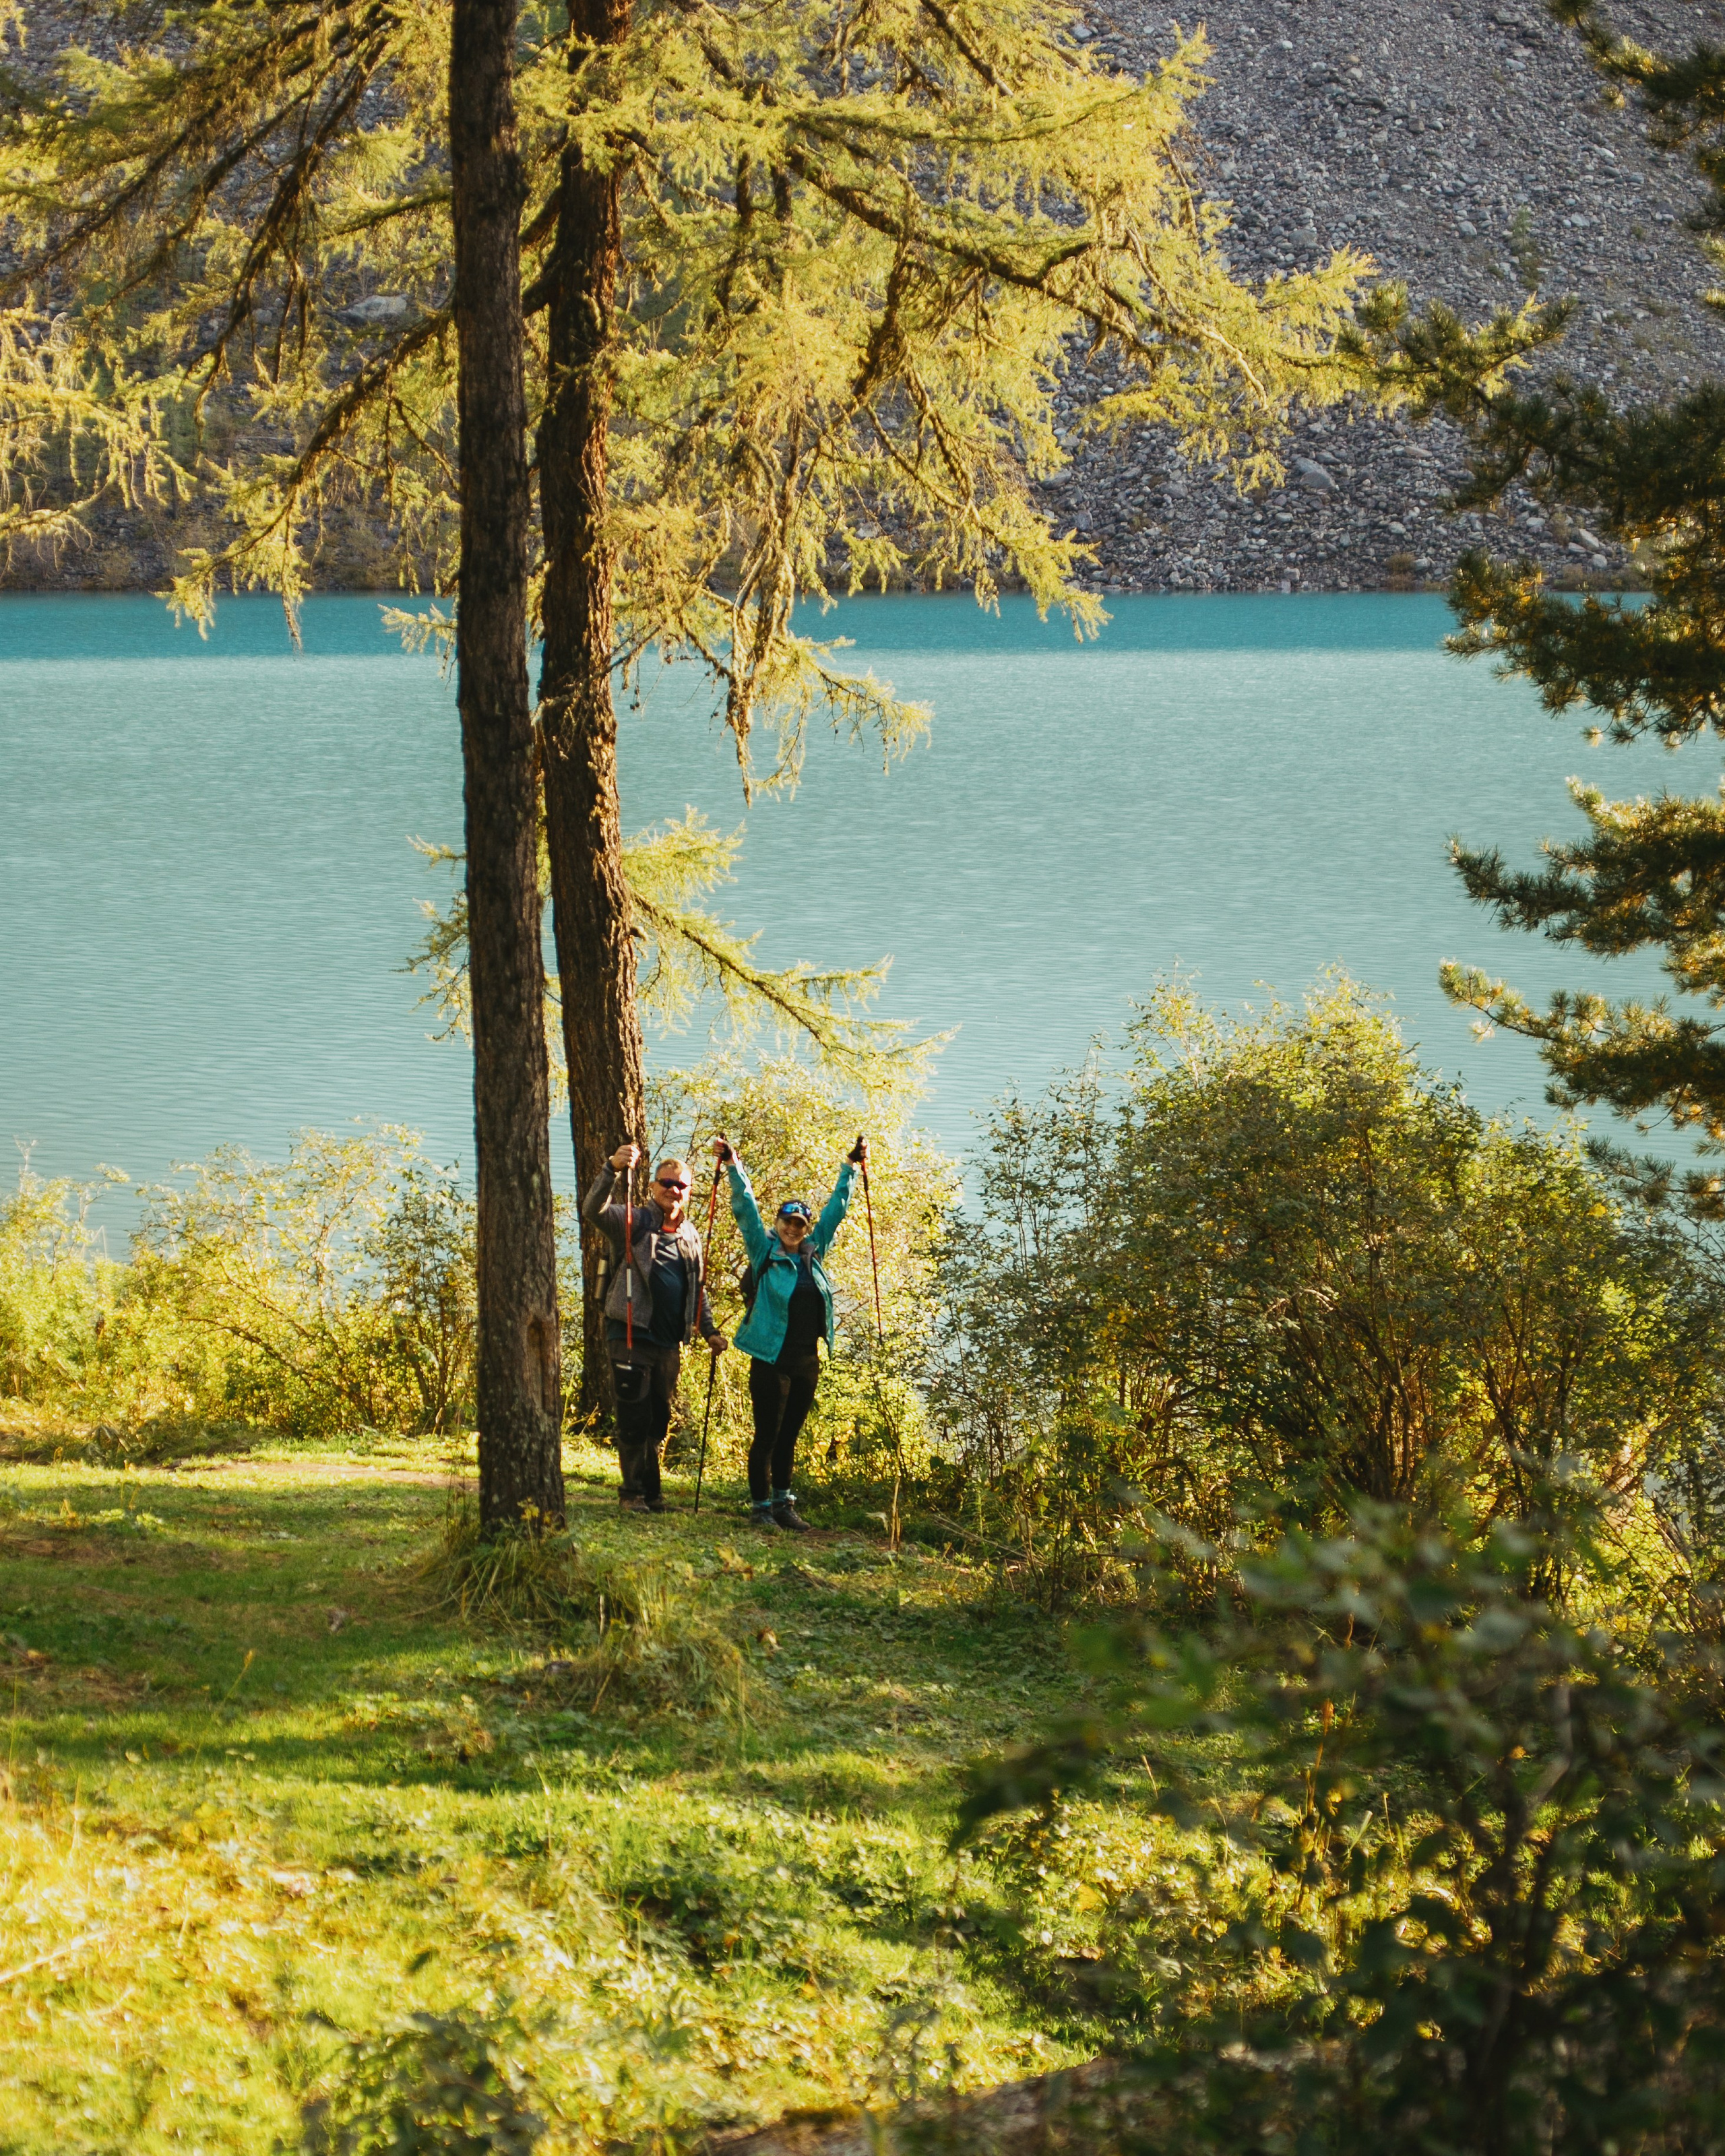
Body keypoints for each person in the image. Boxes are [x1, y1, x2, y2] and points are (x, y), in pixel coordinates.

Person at [715, 1133, 867, 1532]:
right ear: (778, 1223)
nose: (794, 1229)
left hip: (806, 1361)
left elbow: (837, 1210)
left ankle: (784, 1504)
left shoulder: (814, 1254)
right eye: (787, 1222)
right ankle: (761, 1508)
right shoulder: (764, 1252)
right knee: (767, 1434)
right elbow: (746, 1210)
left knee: (790, 1437)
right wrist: (734, 1166)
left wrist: (849, 1168)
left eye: (800, 1224)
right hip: (769, 1358)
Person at [582, 1143, 725, 1512]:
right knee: (634, 1416)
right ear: (651, 1186)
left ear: (689, 1191)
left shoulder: (690, 1235)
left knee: (658, 1420)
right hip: (630, 1333)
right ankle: (632, 1494)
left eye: (681, 1185)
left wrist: (708, 1330)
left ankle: (652, 1495)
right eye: (666, 1183)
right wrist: (611, 1169)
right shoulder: (632, 1220)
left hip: (667, 1343)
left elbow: (697, 1289)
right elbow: (592, 1210)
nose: (673, 1190)